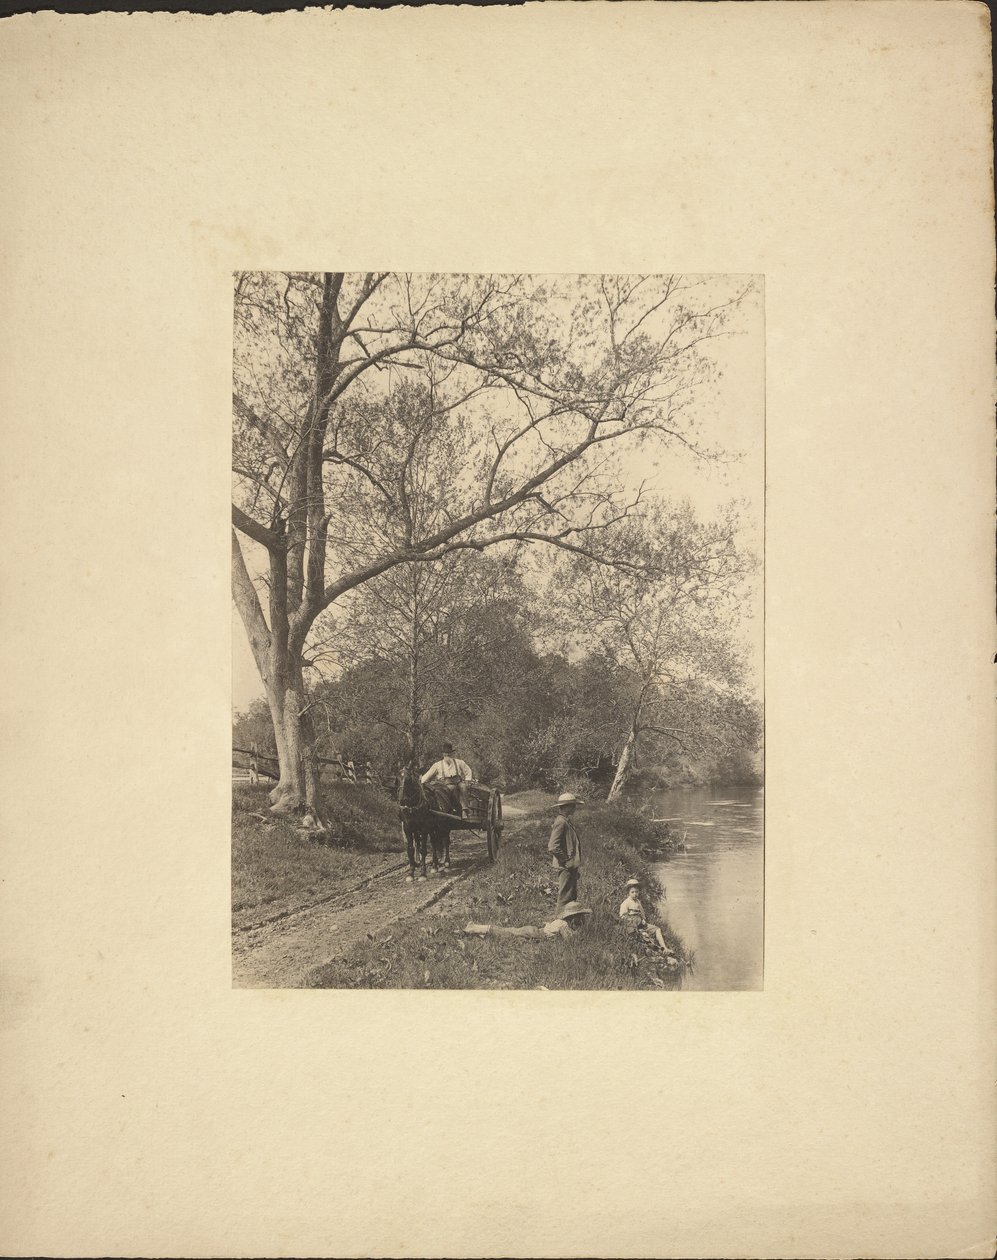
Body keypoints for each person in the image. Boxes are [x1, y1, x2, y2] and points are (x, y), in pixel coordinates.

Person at [547, 792, 584, 916]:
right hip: (566, 866)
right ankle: (559, 921)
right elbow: (553, 846)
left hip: (570, 866)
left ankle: (569, 921)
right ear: (566, 807)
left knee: (571, 895)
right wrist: (566, 860)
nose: (575, 808)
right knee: (565, 897)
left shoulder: (566, 821)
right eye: (573, 805)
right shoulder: (561, 822)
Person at [421, 741, 473, 816]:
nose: (447, 755)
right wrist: (421, 782)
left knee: (463, 787)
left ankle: (465, 809)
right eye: (446, 753)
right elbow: (428, 774)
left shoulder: (459, 762)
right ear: (443, 754)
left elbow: (468, 770)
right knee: (447, 789)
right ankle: (449, 809)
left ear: (452, 753)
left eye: (449, 753)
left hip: (458, 781)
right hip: (444, 784)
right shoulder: (437, 765)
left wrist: (468, 780)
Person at [619, 877, 668, 952]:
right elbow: (622, 916)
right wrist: (631, 921)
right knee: (642, 934)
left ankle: (664, 947)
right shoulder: (626, 903)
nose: (635, 894)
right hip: (632, 926)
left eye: (636, 892)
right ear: (628, 892)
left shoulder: (638, 902)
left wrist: (643, 919)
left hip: (640, 924)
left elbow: (642, 913)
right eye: (632, 892)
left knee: (657, 929)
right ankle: (652, 947)